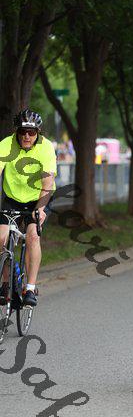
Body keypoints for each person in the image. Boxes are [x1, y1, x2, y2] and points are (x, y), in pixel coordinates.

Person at [0, 109, 57, 306]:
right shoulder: (6, 145)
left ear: (38, 133)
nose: (26, 136)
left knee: (33, 236)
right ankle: (6, 283)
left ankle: (30, 288)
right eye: (22, 131)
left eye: (31, 132)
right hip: (12, 198)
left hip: (39, 198)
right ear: (16, 131)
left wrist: (40, 209)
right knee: (1, 238)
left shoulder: (46, 148)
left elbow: (47, 183)